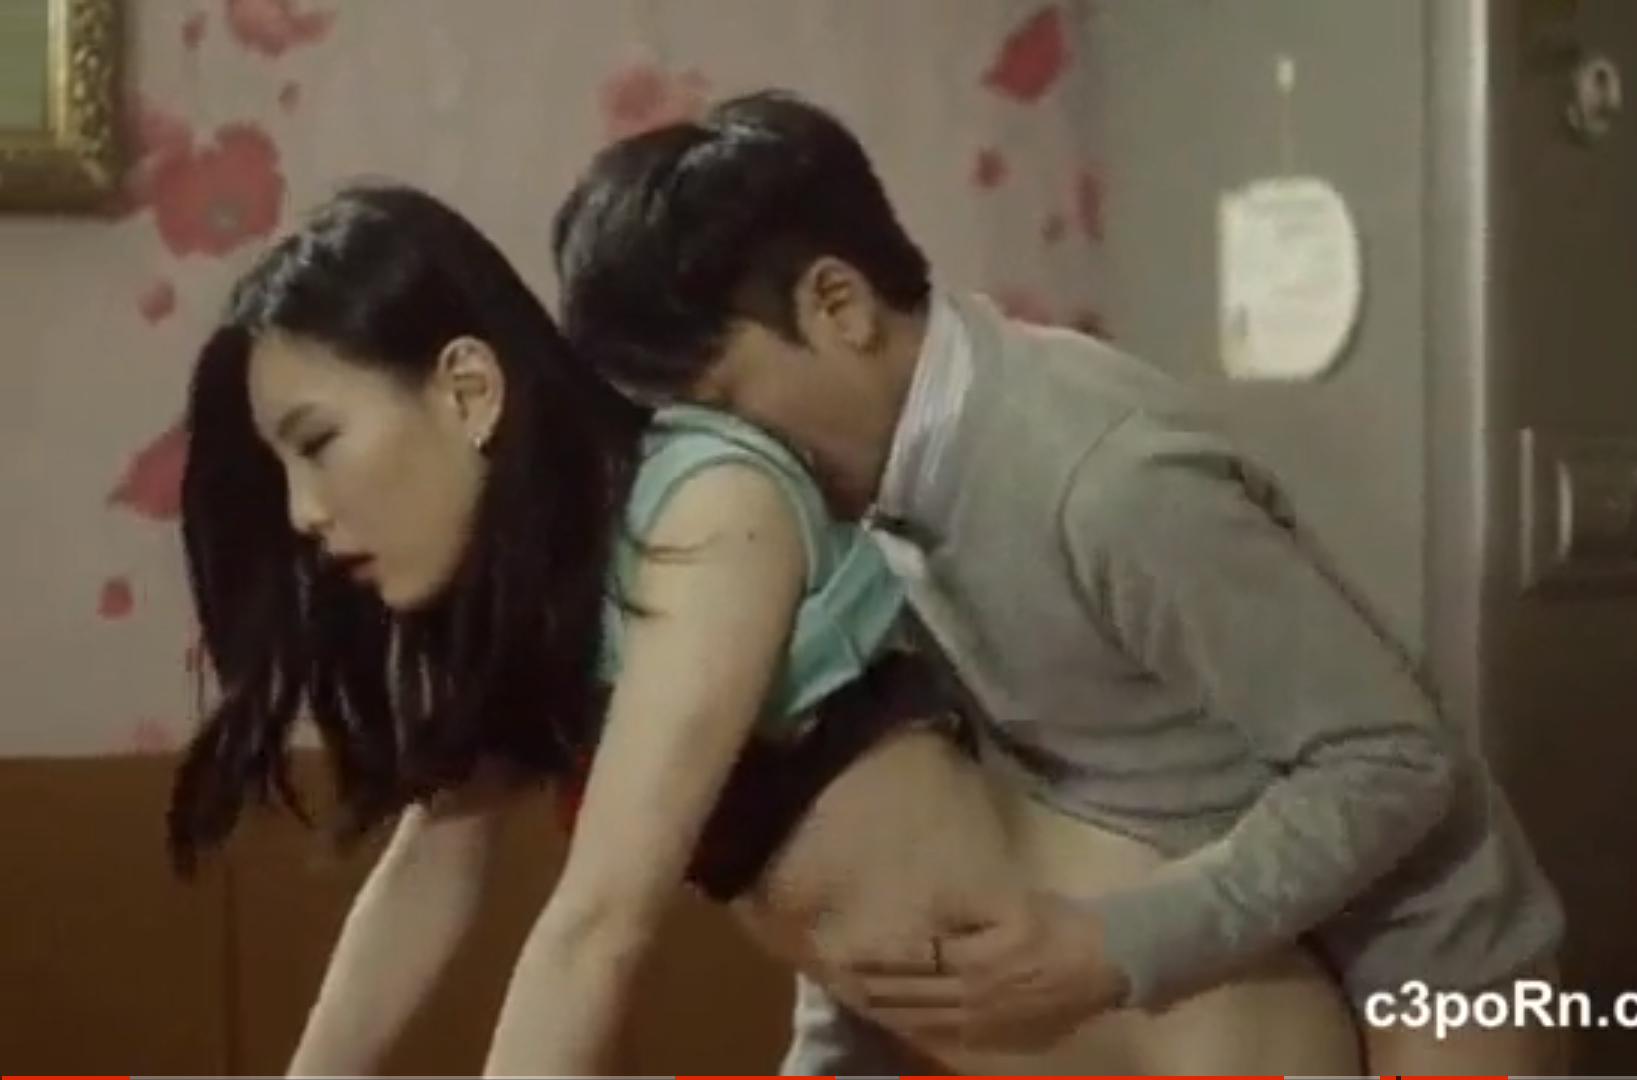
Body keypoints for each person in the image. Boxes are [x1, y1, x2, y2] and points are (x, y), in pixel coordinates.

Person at [165, 182, 1361, 1076]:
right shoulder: (541, 603)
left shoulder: (705, 503)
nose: (303, 513)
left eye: (318, 444)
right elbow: (429, 868)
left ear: (468, 389)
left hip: (1208, 1040)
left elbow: (602, 922)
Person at [550, 89, 1573, 1076]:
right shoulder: (856, 493)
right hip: (1215, 947)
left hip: (1423, 953)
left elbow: (1392, 759)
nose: (723, 469)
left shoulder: (1104, 478)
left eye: (726, 405)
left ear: (838, 305)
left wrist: (1114, 945)